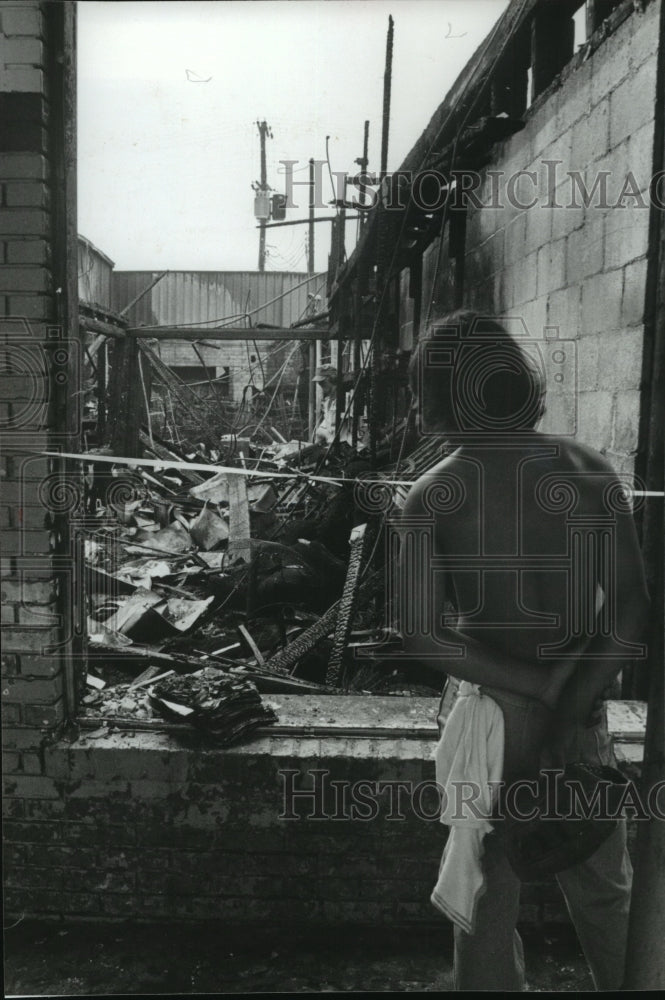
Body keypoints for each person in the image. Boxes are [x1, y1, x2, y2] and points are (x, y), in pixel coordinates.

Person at [397, 310, 649, 991]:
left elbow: (419, 633)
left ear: (438, 396)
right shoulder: (590, 470)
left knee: (483, 900)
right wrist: (564, 698)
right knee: (603, 890)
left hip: (492, 714)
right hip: (580, 707)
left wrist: (527, 691)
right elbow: (630, 614)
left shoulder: (430, 495)